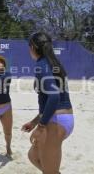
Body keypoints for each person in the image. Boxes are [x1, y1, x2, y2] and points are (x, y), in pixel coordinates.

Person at [21, 32, 74, 174]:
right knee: (33, 156)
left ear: (32, 47)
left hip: (56, 121)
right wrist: (34, 122)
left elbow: (54, 97)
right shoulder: (53, 63)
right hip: (63, 118)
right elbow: (49, 100)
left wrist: (40, 127)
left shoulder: (42, 65)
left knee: (49, 171)